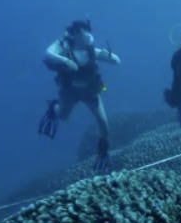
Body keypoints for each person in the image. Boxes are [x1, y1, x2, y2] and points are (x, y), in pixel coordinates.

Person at [38, 19, 121, 170]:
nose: (88, 36)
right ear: (75, 34)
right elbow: (48, 53)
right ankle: (53, 107)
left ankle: (102, 152)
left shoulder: (92, 51)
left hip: (90, 92)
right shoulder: (63, 49)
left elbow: (115, 60)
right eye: (84, 32)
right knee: (62, 115)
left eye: (88, 32)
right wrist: (65, 60)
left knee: (103, 122)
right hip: (69, 92)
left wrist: (111, 57)